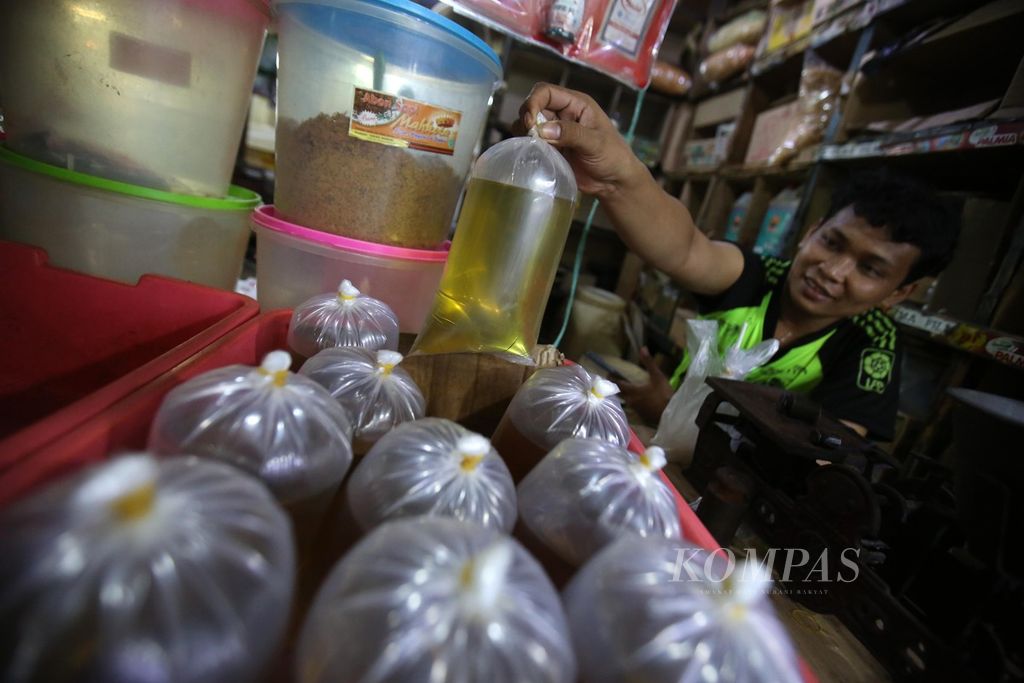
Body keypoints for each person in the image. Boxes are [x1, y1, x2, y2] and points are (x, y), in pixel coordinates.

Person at [519, 83, 960, 440]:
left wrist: (677, 407)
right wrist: (619, 176)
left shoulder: (872, 346)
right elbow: (687, 248)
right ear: (811, 232)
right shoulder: (762, 277)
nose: (833, 270)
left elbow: (827, 452)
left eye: (870, 269)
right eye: (832, 243)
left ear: (902, 292)